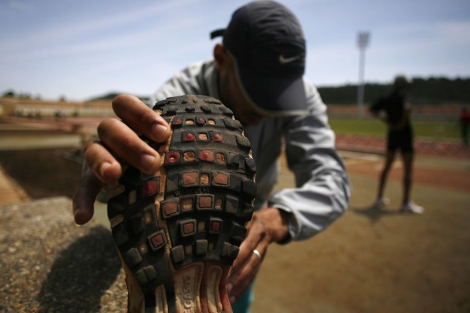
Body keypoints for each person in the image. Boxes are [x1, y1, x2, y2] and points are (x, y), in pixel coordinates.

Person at [73, 1, 351, 312]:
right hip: (178, 228)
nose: (267, 110)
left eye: (279, 97)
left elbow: (333, 179)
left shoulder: (302, 96)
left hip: (241, 225)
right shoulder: (180, 92)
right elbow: (139, 148)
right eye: (259, 91)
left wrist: (279, 217)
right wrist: (117, 157)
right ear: (221, 58)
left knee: (231, 293)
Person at [369, 75, 424, 214]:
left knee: (387, 166)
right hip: (404, 134)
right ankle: (405, 203)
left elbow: (372, 109)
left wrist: (387, 121)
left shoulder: (387, 97)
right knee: (407, 169)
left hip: (392, 133)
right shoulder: (404, 95)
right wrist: (402, 122)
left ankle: (379, 197)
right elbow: (407, 109)